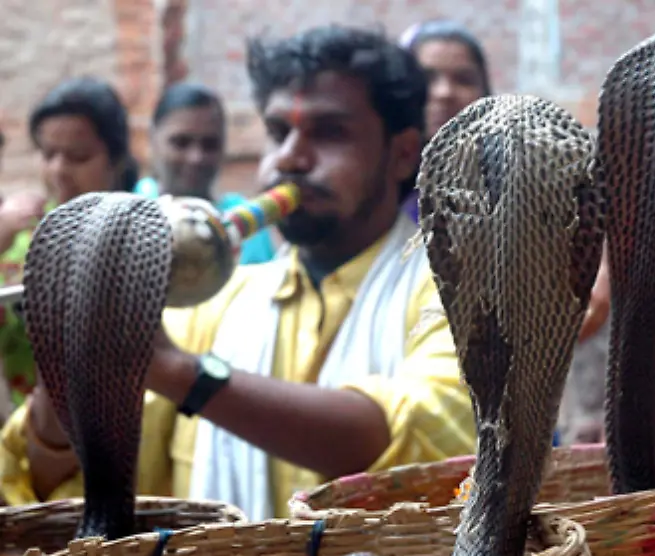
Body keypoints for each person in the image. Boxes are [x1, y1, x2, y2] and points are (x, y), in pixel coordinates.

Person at [0, 25, 476, 519]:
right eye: (278, 133)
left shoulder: (456, 294)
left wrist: (184, 374)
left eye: (330, 132)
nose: (290, 156)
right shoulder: (213, 303)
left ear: (401, 154)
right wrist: (71, 368)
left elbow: (424, 443)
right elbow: (74, 487)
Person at [0, 77, 138, 413]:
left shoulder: (142, 236)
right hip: (22, 439)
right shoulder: (18, 235)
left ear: (116, 159)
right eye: (48, 154)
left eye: (78, 156)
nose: (58, 170)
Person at [135, 82, 278, 265]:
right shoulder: (130, 213)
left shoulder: (244, 221)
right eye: (181, 142)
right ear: (153, 139)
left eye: (210, 145)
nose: (196, 158)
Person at [398, 20, 491, 223]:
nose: (445, 93)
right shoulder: (377, 186)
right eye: (427, 78)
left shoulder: (512, 184)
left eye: (464, 79)